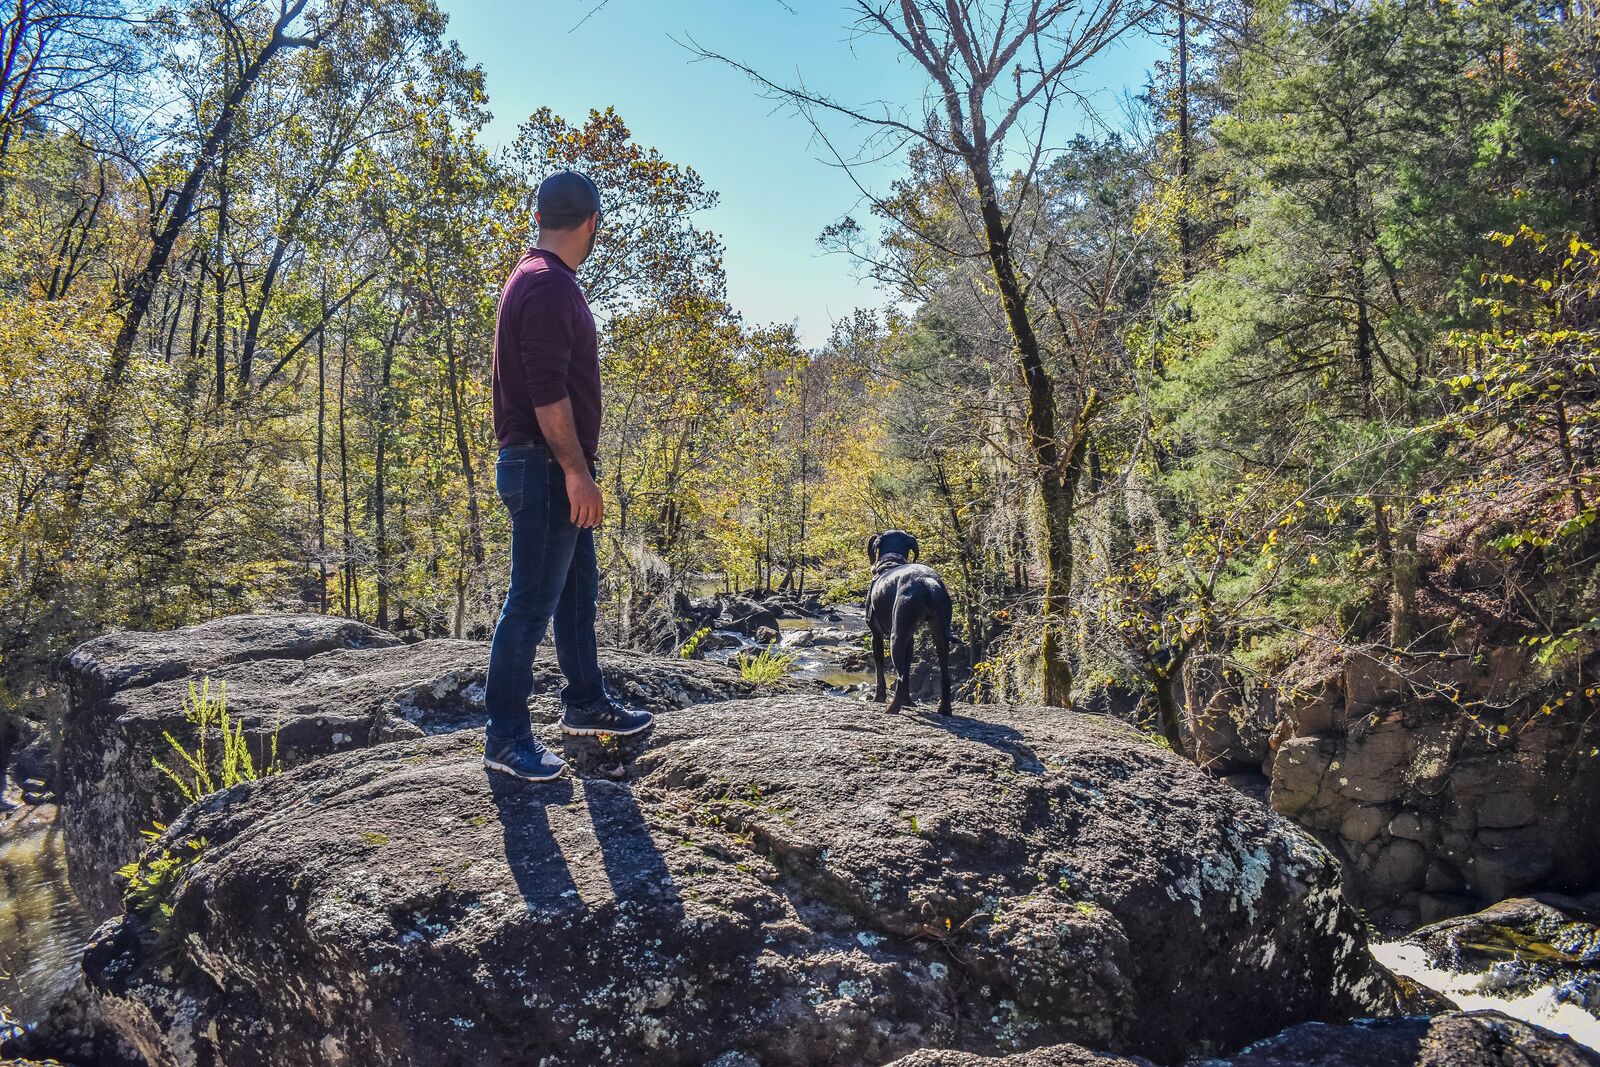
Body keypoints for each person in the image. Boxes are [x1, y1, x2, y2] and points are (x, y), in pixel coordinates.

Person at [483, 170, 652, 781]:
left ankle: (585, 703)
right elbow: (548, 393)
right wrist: (576, 472)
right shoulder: (550, 287)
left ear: (540, 216)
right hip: (545, 464)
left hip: (548, 464)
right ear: (591, 223)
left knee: (578, 591)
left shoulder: (536, 279)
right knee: (529, 604)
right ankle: (505, 738)